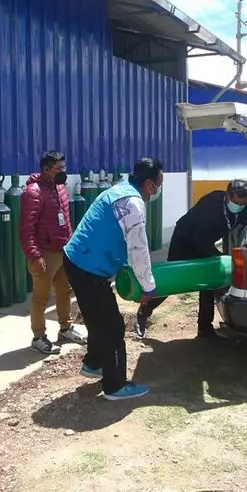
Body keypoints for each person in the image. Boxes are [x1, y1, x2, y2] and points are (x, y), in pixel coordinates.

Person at [62, 157, 162, 401]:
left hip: (76, 260)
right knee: (113, 325)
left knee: (98, 318)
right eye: (158, 184)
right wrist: (148, 287)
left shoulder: (118, 191)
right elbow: (138, 249)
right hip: (88, 268)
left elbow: (123, 241)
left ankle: (94, 363)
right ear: (148, 183)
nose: (158, 189)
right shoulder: (133, 204)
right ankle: (115, 386)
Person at [134, 179, 247, 340]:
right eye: (238, 202)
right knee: (175, 280)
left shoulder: (243, 207)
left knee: (208, 282)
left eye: (244, 203)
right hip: (185, 239)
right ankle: (144, 311)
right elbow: (198, 238)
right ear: (228, 197)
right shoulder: (211, 204)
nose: (240, 206)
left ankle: (204, 328)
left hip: (204, 240)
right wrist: (218, 257)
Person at [19, 150, 87, 355]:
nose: (63, 171)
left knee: (64, 292)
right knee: (41, 297)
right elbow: (26, 228)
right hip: (44, 253)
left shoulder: (60, 188)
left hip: (62, 250)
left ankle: (65, 328)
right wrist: (35, 255)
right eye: (58, 168)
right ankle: (38, 337)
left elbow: (66, 221)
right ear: (46, 169)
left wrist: (72, 245)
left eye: (63, 167)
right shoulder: (33, 192)